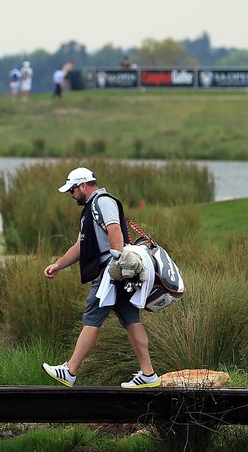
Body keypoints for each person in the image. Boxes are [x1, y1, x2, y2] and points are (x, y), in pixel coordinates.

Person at [41, 167, 160, 389]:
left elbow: (115, 230)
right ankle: (148, 374)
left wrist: (117, 262)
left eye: (72, 190)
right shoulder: (90, 209)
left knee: (92, 314)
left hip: (112, 271)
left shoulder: (102, 202)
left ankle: (70, 370)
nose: (71, 194)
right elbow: (81, 245)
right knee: (131, 320)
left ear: (83, 185)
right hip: (116, 271)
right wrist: (59, 265)